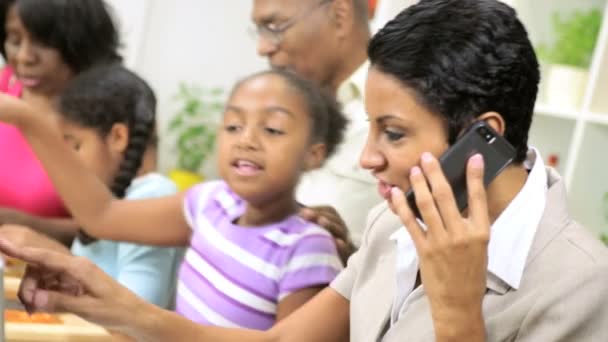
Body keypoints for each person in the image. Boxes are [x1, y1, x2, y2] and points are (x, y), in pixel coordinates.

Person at [3, 0, 608, 341]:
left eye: (392, 134)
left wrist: (455, 310)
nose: (368, 157)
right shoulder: (393, 224)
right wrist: (101, 298)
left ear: (484, 139)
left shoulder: (583, 289)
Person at [0, 69, 346, 329]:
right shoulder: (210, 203)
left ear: (314, 154)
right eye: (233, 126)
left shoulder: (308, 248)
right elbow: (100, 214)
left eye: (271, 129)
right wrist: (26, 119)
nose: (247, 140)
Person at [252, 0, 382, 249]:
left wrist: (346, 257)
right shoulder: (280, 102)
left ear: (339, 16)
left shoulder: (411, 99)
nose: (263, 47)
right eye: (260, 30)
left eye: (275, 26)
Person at [0, 0, 121, 243]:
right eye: (14, 40)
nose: (24, 57)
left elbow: (117, 226)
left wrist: (26, 224)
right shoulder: (7, 84)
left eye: (43, 43)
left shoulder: (108, 123)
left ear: (81, 45)